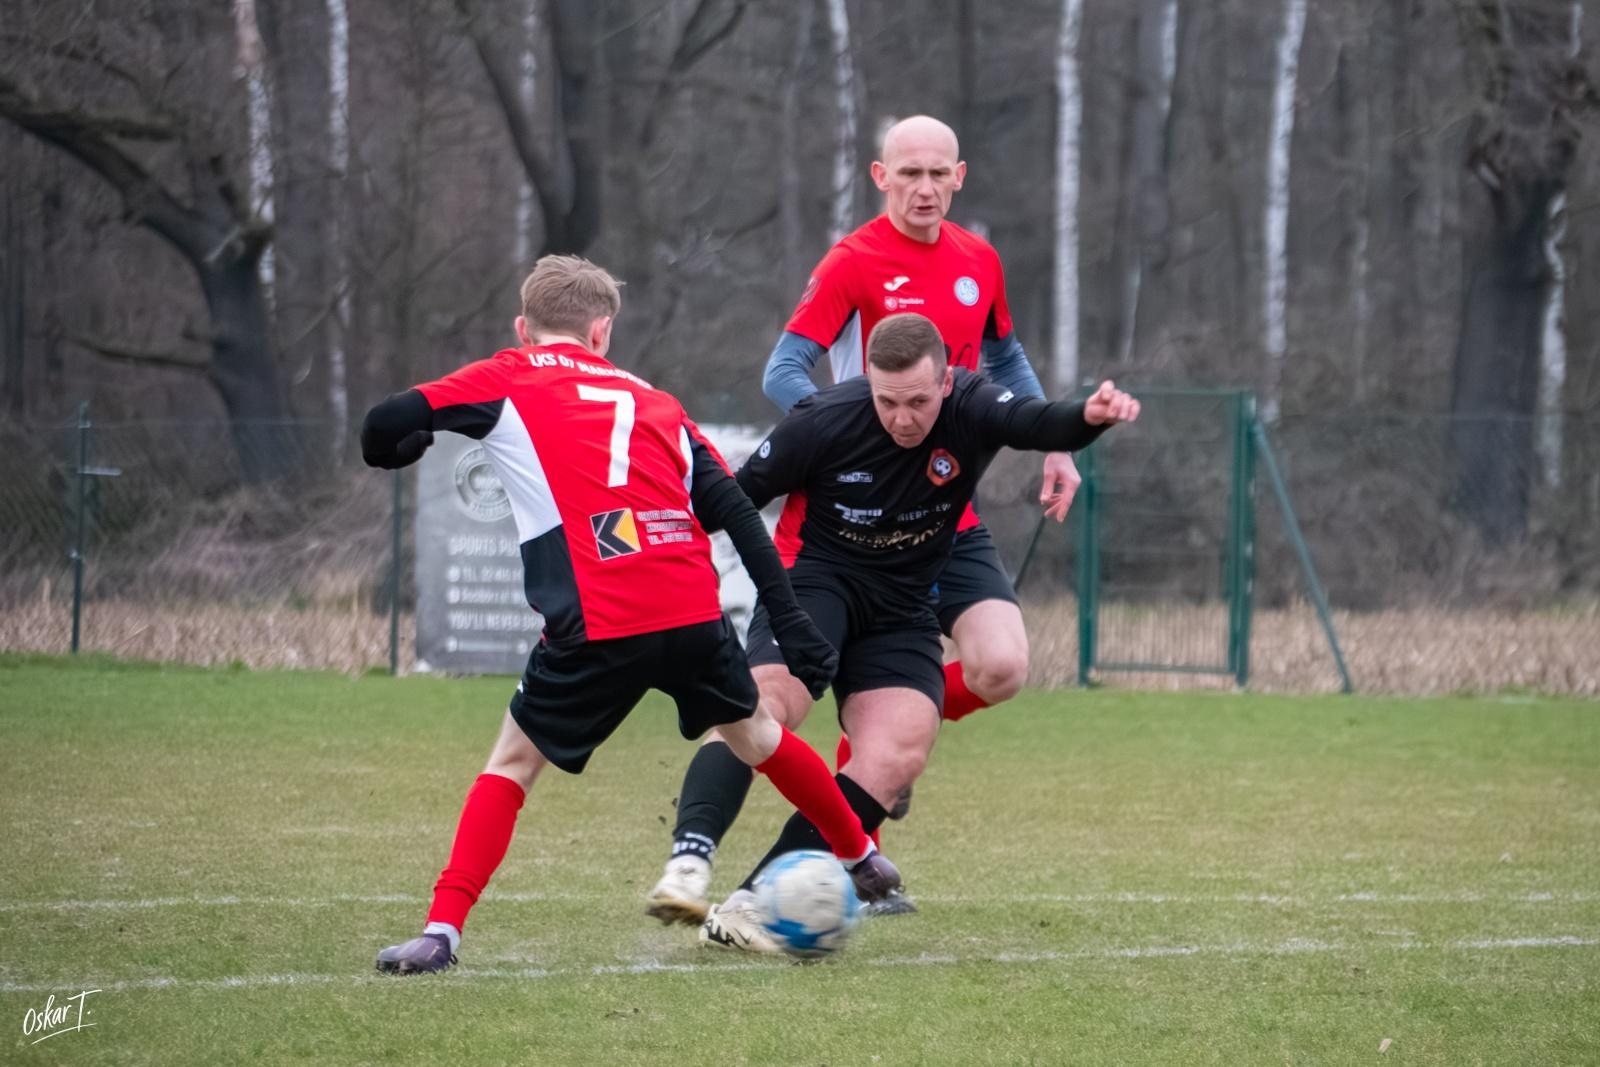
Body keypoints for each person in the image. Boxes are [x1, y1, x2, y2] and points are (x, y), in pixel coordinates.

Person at [360, 254, 899, 975]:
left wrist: (407, 440)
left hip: (597, 616)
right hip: (690, 607)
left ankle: (440, 932)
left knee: (514, 762)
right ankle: (862, 854)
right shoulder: (656, 400)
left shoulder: (507, 374)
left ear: (525, 328)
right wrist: (790, 618)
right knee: (757, 734)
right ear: (602, 332)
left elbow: (384, 423)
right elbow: (736, 509)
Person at [646, 313, 1138, 951]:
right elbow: (733, 499)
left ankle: (749, 904)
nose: (902, 418)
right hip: (815, 581)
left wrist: (1090, 417)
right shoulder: (822, 420)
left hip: (902, 601)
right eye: (887, 401)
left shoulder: (973, 404)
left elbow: (1037, 422)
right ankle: (690, 860)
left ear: (945, 384)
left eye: (917, 402)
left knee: (898, 752)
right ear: (868, 385)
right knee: (768, 706)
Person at [770, 115, 1075, 804]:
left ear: (959, 178)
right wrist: (841, 433)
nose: (925, 188)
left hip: (947, 507)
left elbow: (1005, 356)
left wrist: (1055, 440)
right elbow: (784, 368)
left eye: (940, 173)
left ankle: (872, 739)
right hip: (865, 519)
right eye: (909, 173)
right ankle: (861, 829)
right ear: (881, 177)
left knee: (1002, 665)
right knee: (797, 691)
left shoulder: (980, 261)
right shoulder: (852, 261)